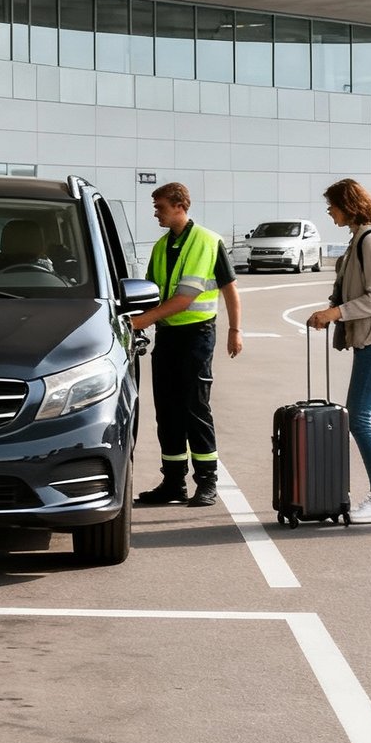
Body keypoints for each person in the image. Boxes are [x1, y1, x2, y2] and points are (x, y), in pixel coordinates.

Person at [129, 183, 242, 508]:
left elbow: (216, 293)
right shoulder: (162, 246)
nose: (156, 213)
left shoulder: (208, 241)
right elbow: (151, 294)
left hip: (197, 335)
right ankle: (173, 483)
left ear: (179, 205)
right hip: (167, 337)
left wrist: (235, 329)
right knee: (167, 411)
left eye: (160, 207)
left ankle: (207, 482)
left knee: (195, 408)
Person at [305, 178, 371, 525]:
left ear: (348, 205)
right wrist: (332, 310)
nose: (329, 211)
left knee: (359, 416)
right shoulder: (359, 240)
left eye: (332, 205)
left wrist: (335, 313)